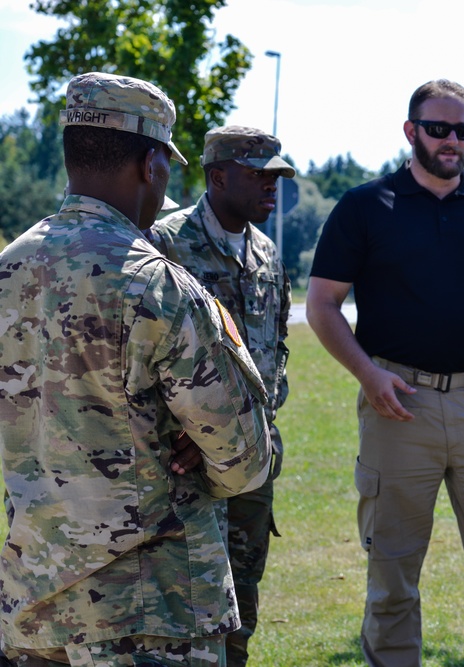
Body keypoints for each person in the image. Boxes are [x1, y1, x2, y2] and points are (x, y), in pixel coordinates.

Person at [0, 72, 272, 666]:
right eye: (166, 165)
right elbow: (246, 460)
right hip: (153, 615)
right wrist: (200, 450)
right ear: (151, 164)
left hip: (33, 610)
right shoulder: (162, 286)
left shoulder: (7, 270)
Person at [305, 79, 464, 666]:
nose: (451, 140)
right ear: (411, 131)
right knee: (392, 581)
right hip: (397, 404)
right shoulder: (365, 207)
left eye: (462, 130)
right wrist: (368, 375)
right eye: (438, 128)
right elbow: (321, 305)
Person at [146, 125, 295, 667]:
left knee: (244, 593)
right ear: (217, 176)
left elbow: (275, 344)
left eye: (276, 176)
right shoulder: (164, 243)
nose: (271, 188)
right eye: (259, 175)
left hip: (252, 460)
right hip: (182, 464)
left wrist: (265, 418)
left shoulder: (267, 252)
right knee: (180, 599)